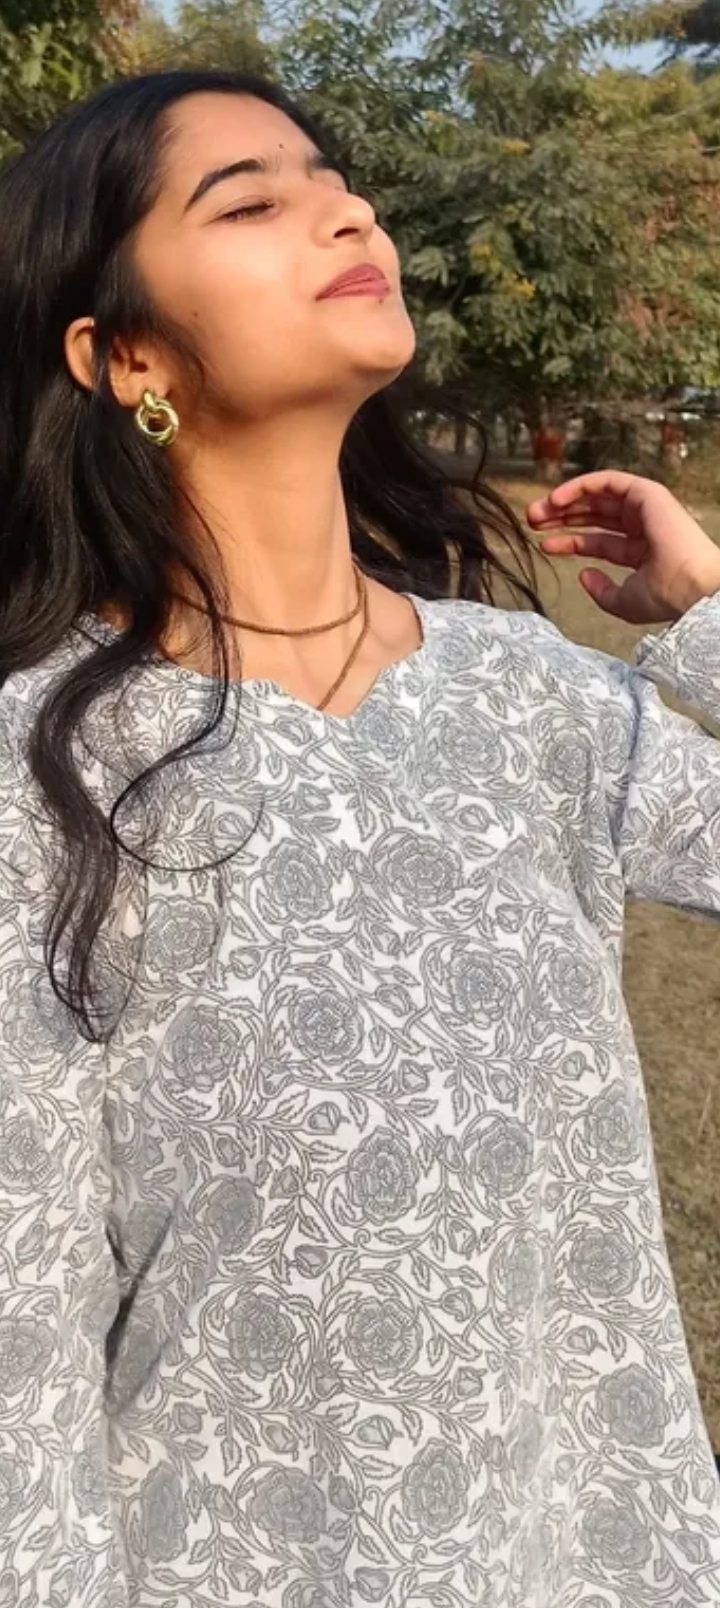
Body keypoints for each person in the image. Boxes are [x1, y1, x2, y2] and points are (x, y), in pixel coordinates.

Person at [1, 65, 720, 1608]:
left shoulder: (533, 698)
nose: (348, 212)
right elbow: (22, 1358)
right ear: (124, 353)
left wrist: (711, 612)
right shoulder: (45, 765)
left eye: (338, 182)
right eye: (249, 201)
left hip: (591, 1559)